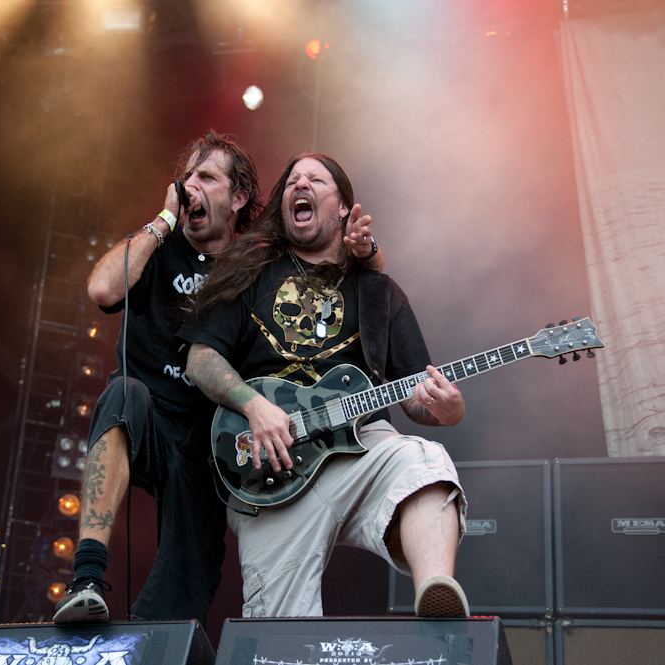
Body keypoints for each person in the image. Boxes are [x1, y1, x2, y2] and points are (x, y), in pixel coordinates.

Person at [53, 133, 385, 625]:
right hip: (150, 418)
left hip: (214, 443)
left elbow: (337, 266)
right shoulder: (156, 247)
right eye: (186, 176)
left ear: (238, 197)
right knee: (124, 394)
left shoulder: (255, 263)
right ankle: (86, 577)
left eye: (206, 177)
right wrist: (162, 220)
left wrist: (369, 252)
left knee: (185, 589)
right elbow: (102, 289)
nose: (191, 187)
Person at [180, 152, 469, 618]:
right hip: (269, 467)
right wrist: (254, 406)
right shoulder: (251, 273)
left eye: (316, 179)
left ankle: (436, 594)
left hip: (360, 449)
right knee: (279, 635)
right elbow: (201, 358)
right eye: (293, 179)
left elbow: (419, 395)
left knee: (425, 463)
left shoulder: (379, 291)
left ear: (343, 210)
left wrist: (446, 410)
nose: (300, 184)